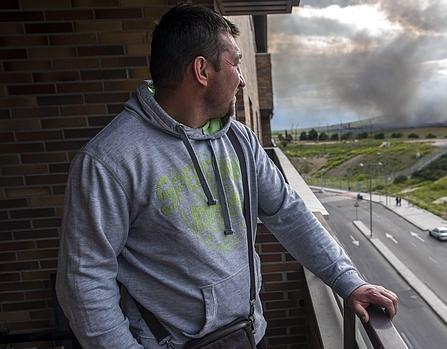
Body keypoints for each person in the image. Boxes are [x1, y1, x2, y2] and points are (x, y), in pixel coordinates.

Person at [56, 4, 398, 348]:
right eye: (235, 63)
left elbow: (289, 212)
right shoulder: (108, 162)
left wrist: (347, 280)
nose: (242, 78)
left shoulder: (240, 139)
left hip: (251, 335)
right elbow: (84, 281)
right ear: (202, 70)